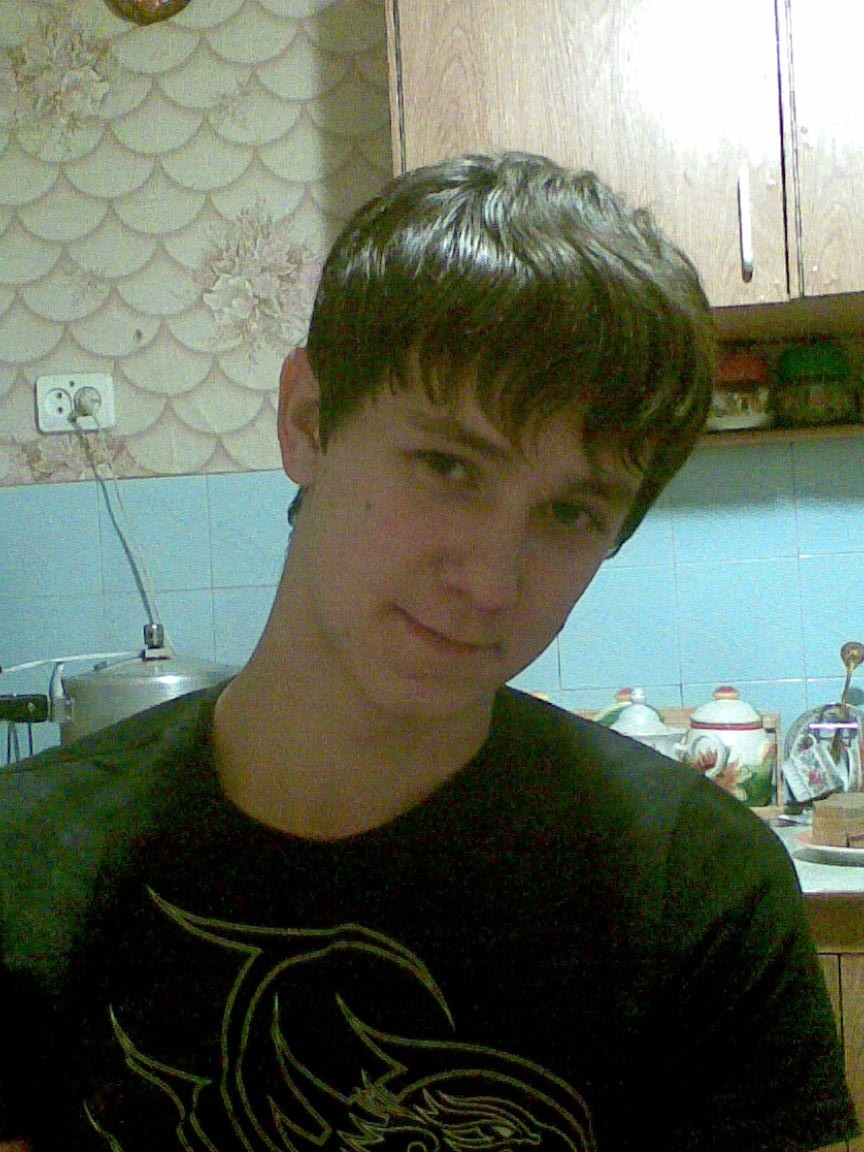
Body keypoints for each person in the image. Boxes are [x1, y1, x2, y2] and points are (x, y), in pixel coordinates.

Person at [0, 152, 857, 1152]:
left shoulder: (699, 891)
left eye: (571, 513)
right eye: (449, 465)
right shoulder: (26, 868)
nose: (491, 582)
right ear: (308, 422)